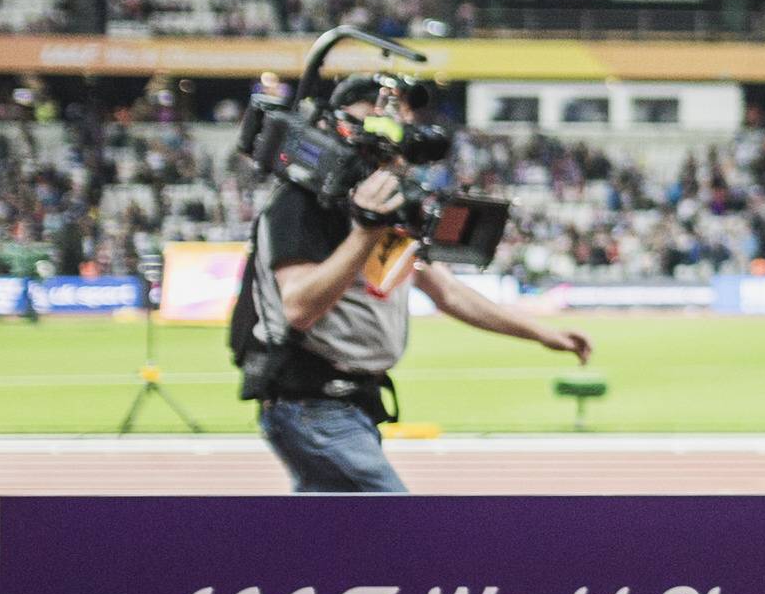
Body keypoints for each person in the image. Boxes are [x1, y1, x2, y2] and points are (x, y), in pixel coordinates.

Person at [227, 75, 590, 492]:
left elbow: (449, 292)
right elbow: (298, 307)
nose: (387, 146)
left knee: (337, 542)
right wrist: (365, 231)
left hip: (351, 405)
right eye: (373, 127)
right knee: (394, 529)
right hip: (311, 403)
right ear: (337, 125)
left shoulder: (383, 208)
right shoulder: (299, 205)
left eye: (397, 131)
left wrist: (544, 334)